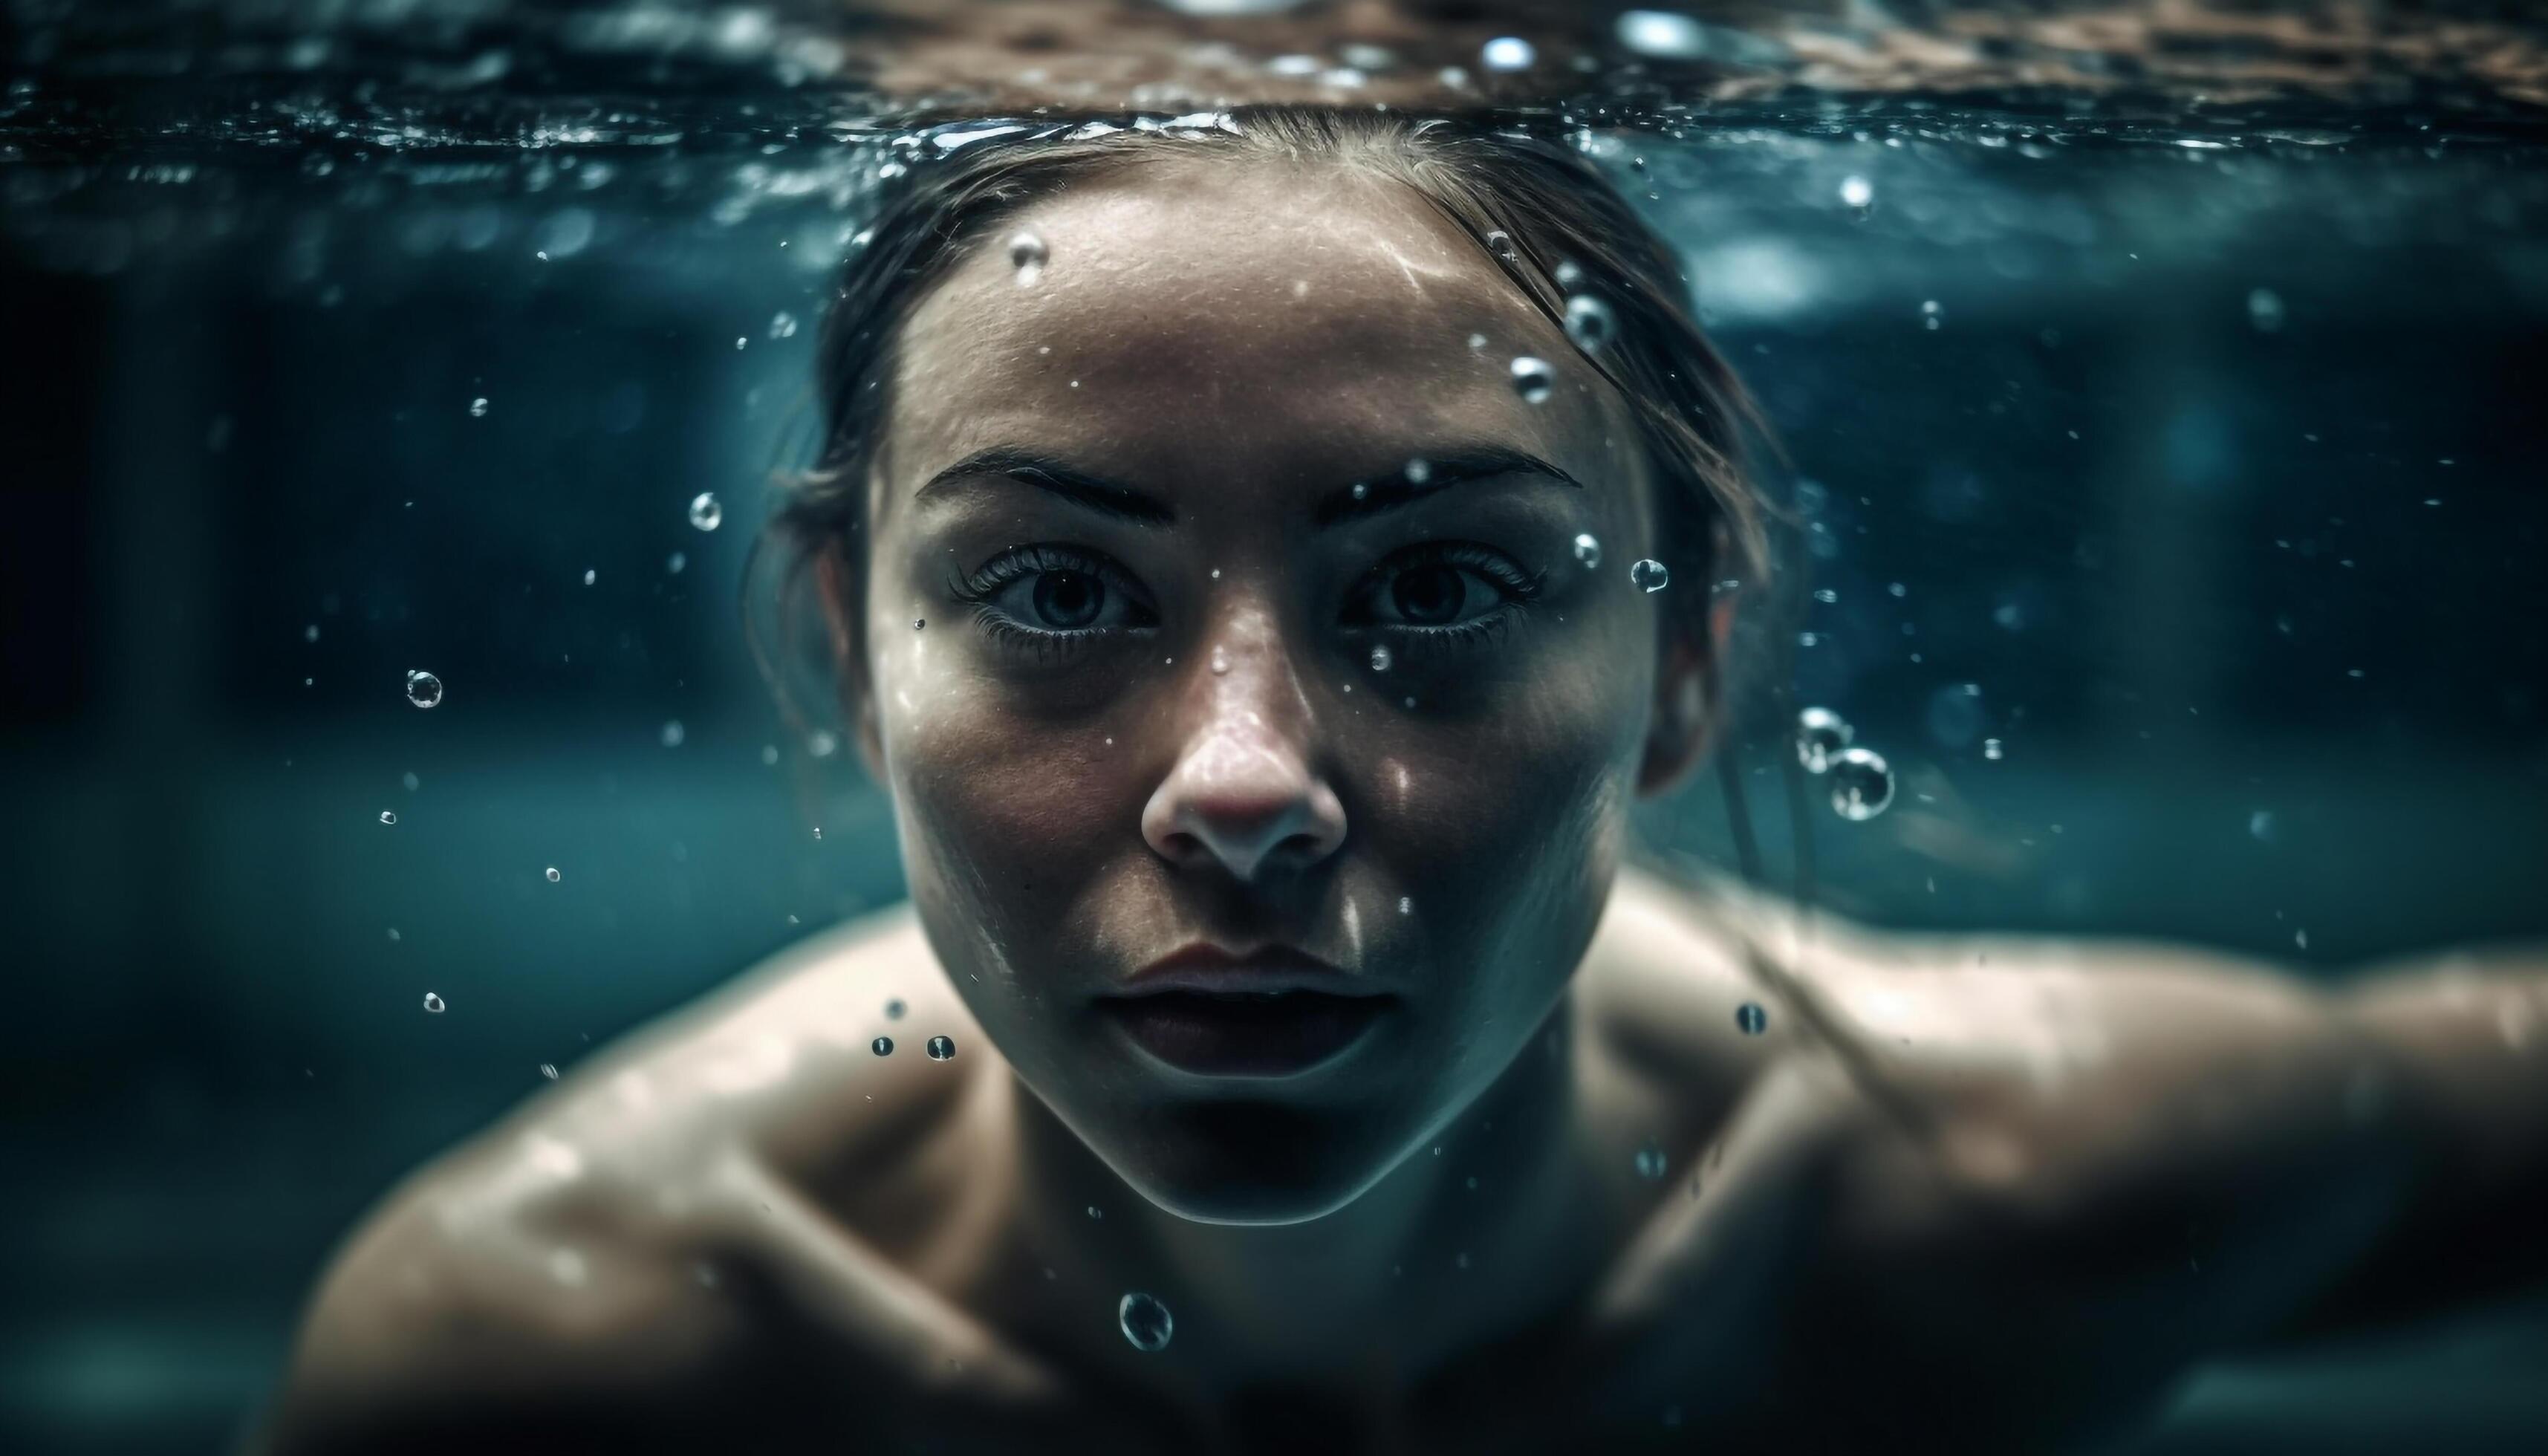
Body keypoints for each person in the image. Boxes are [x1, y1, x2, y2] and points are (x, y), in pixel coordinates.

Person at [252, 106, 2547, 1455]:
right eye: (1055, 590)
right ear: (854, 656)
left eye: (1440, 586)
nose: (1245, 789)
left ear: (1683, 664)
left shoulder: (2005, 1187)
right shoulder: (545, 1357)